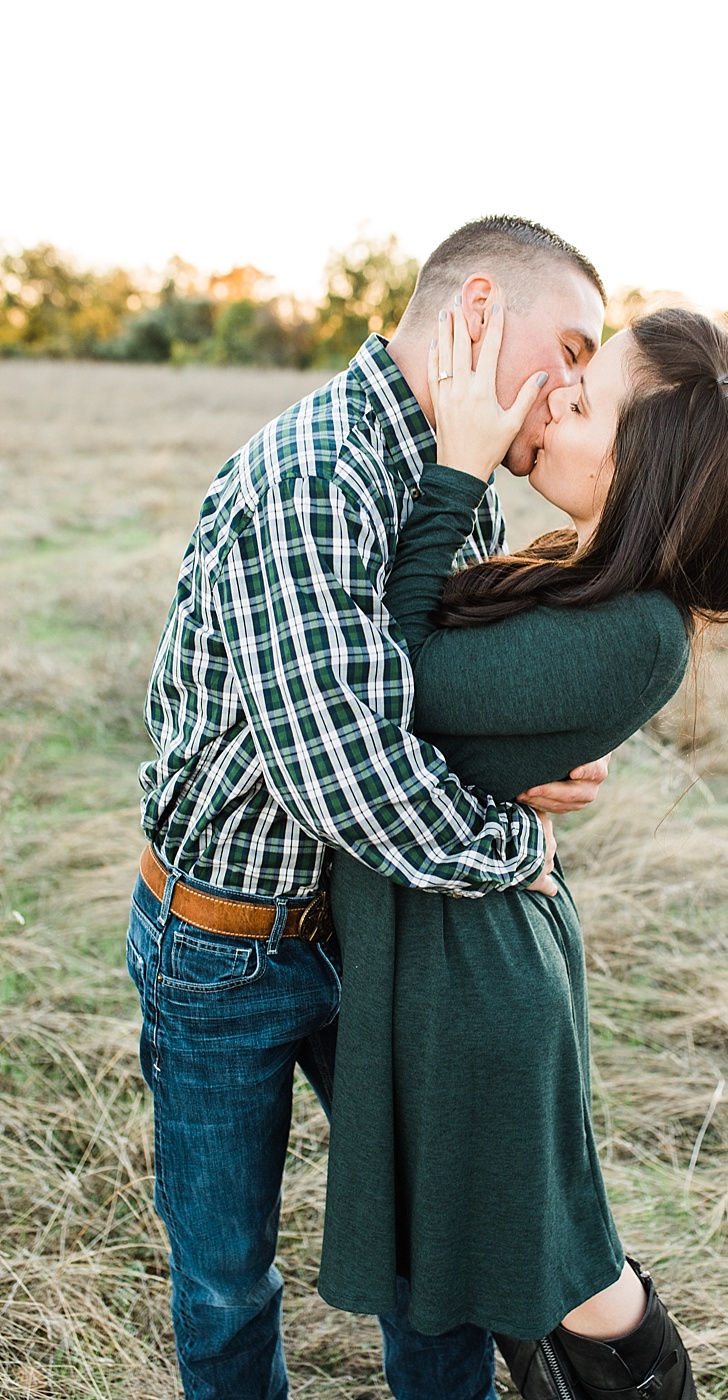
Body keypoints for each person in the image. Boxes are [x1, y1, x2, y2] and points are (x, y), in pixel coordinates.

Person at [126, 216, 613, 1400]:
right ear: (480, 309)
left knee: (428, 1254)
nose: (579, 390)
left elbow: (422, 704)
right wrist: (516, 841)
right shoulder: (316, 475)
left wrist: (524, 758)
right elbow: (347, 775)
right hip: (224, 945)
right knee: (228, 1279)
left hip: (383, 926)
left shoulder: (458, 482)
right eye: (575, 347)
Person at [318, 300, 728, 1399]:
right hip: (447, 950)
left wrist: (457, 469)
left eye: (582, 401)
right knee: (510, 1276)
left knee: (566, 1273)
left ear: (646, 477)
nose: (548, 399)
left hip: (475, 986)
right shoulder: (590, 580)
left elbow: (390, 680)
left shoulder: (637, 629)